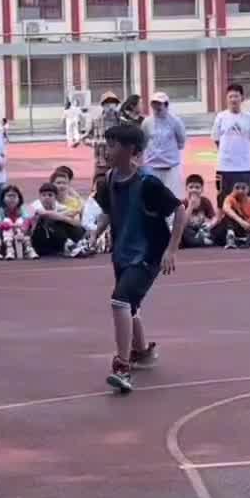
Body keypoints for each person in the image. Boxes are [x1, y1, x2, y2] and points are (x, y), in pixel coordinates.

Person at [86, 122, 187, 394]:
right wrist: (96, 234)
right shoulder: (107, 181)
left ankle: (122, 366)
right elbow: (109, 210)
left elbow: (179, 211)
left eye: (112, 145)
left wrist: (171, 250)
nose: (107, 150)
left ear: (130, 149)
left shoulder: (148, 183)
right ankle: (142, 352)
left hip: (148, 255)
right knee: (130, 306)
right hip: (121, 253)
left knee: (119, 301)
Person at [211, 85, 250, 200]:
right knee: (223, 197)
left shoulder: (248, 117)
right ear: (227, 98)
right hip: (224, 167)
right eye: (230, 96)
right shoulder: (221, 117)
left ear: (242, 98)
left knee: (247, 198)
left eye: (236, 96)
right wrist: (224, 154)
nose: (233, 99)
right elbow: (216, 138)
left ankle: (246, 217)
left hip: (244, 166)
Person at [142, 91, 190, 200]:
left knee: (173, 199)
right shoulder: (147, 122)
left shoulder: (175, 121)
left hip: (171, 168)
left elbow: (181, 140)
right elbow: (144, 142)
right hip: (152, 168)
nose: (156, 107)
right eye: (154, 104)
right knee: (152, 199)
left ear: (166, 105)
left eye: (159, 104)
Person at [180, 174, 218, 248]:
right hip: (189, 231)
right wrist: (190, 206)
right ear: (186, 189)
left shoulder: (205, 201)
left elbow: (214, 218)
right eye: (191, 187)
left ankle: (201, 240)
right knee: (183, 232)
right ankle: (201, 241)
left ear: (202, 189)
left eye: (197, 187)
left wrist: (210, 224)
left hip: (202, 230)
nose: (194, 190)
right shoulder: (183, 203)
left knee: (218, 229)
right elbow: (182, 223)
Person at [0, 185, 32, 260]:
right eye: (9, 196)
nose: (11, 199)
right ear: (3, 198)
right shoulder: (0, 211)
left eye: (14, 196)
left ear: (19, 198)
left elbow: (27, 221)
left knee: (21, 220)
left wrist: (21, 229)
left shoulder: (23, 209)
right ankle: (9, 249)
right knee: (7, 220)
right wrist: (11, 226)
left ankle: (28, 248)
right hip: (5, 237)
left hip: (21, 234)